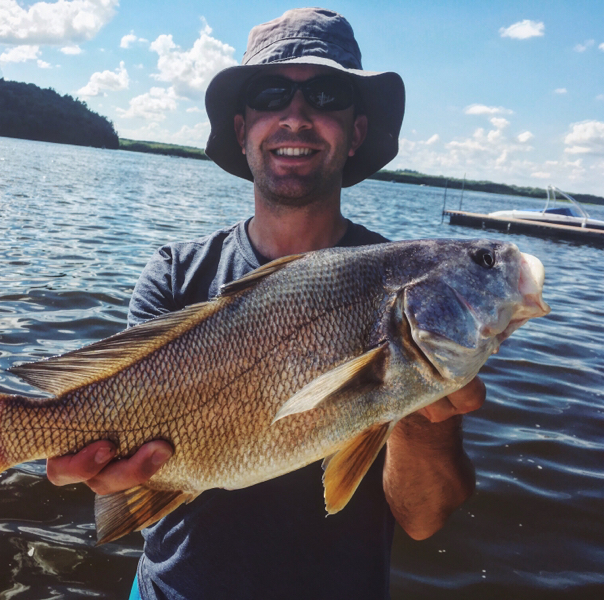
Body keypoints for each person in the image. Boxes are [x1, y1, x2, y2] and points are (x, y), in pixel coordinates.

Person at [47, 8, 484, 599]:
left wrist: (421, 401)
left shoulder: (411, 287)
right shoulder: (176, 273)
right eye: (270, 93)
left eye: (327, 94)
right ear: (242, 128)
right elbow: (133, 495)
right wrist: (101, 473)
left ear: (355, 131)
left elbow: (423, 518)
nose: (296, 117)